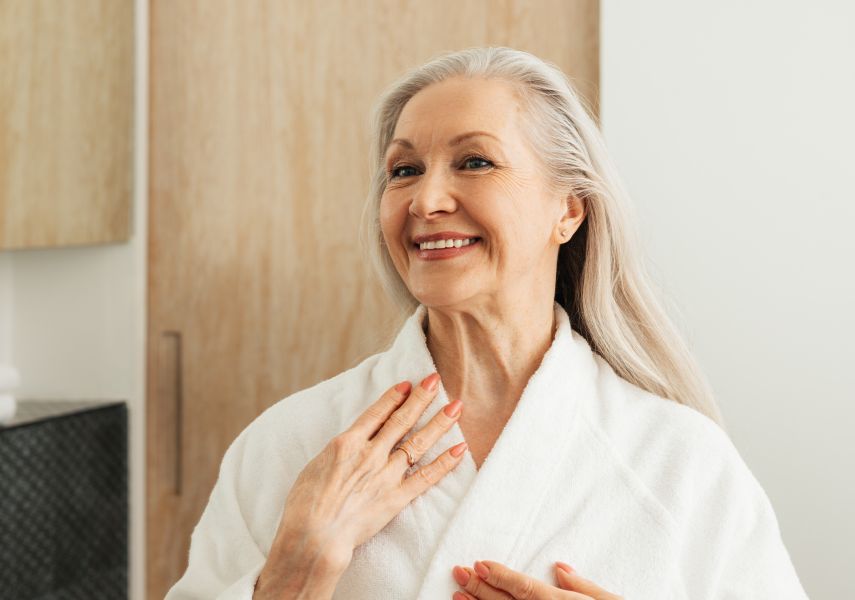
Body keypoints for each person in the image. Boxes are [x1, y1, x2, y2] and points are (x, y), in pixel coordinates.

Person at [165, 46, 810, 599]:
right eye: (404, 171)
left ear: (569, 209)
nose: (426, 200)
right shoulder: (289, 446)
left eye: (475, 162)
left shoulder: (679, 462)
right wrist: (291, 576)